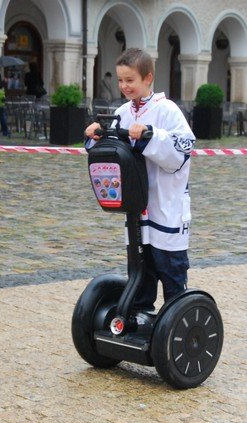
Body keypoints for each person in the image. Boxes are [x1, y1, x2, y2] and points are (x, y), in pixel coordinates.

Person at [84, 48, 195, 323]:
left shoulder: (167, 110)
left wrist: (150, 135)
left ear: (148, 78)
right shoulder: (122, 112)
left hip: (166, 206)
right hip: (137, 208)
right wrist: (97, 137)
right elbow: (113, 154)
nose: (124, 86)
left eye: (130, 80)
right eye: (121, 80)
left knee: (170, 270)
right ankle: (140, 318)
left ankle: (175, 324)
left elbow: (182, 153)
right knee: (140, 268)